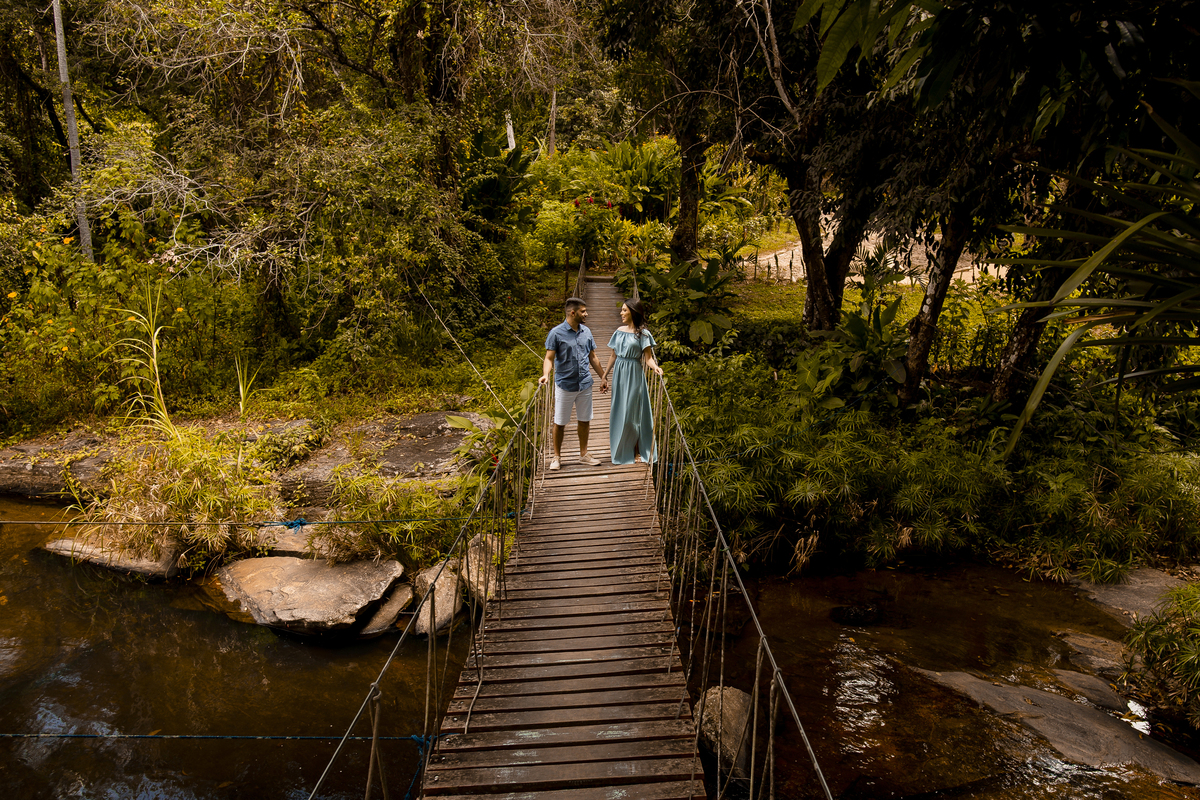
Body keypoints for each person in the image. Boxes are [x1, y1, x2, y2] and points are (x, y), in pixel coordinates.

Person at [540, 296, 605, 470]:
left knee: (584, 420)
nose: (586, 314)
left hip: (584, 383)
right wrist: (546, 374)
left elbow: (593, 357)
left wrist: (603, 377)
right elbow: (549, 357)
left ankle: (584, 454)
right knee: (560, 422)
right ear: (572, 312)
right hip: (564, 384)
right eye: (583, 311)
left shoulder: (587, 332)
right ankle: (556, 457)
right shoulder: (556, 333)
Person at [599, 298, 663, 465]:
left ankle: (637, 451)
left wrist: (655, 367)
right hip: (619, 373)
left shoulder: (643, 334)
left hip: (634, 373)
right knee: (620, 411)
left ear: (633, 312)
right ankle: (623, 450)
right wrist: (604, 376)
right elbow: (613, 355)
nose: (621, 313)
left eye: (624, 310)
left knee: (633, 413)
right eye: (621, 310)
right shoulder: (619, 331)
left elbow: (648, 358)